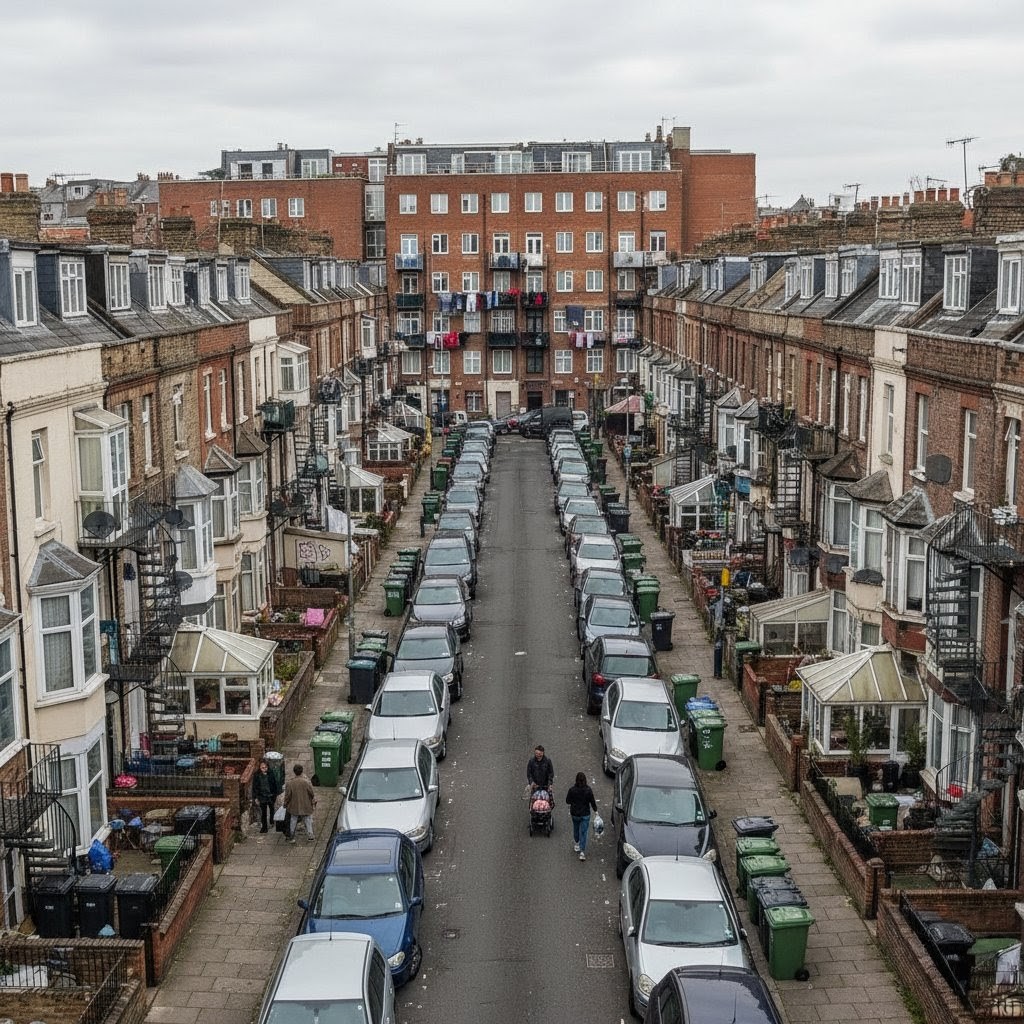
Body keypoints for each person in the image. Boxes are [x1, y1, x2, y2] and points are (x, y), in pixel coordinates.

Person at [565, 771, 598, 861]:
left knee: (576, 828)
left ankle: (577, 843)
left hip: (575, 813)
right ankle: (582, 852)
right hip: (585, 814)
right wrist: (596, 811)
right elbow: (592, 802)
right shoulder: (588, 790)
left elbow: (567, 801)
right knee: (584, 832)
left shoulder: (572, 790)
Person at [283, 763, 317, 843]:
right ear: (302, 771)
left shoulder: (290, 783)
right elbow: (311, 793)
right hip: (306, 805)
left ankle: (291, 837)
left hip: (294, 805)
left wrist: (285, 803)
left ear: (294, 772)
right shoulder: (306, 782)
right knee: (307, 820)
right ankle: (310, 836)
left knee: (293, 820)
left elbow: (288, 796)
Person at [252, 758, 282, 834]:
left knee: (272, 808)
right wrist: (255, 797)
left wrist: (275, 794)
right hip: (262, 796)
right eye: (262, 767)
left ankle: (271, 820)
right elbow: (254, 787)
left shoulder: (271, 773)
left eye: (265, 767)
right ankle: (264, 827)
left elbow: (274, 784)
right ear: (259, 767)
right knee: (263, 812)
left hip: (271, 795)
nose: (264, 769)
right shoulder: (256, 775)